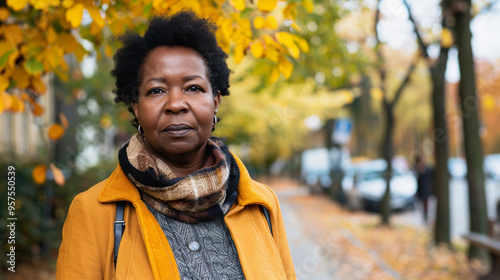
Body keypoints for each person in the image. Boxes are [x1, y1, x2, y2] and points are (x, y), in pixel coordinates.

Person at [56, 11, 296, 279]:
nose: (175, 104)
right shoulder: (93, 212)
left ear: (215, 101)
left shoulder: (261, 204)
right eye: (156, 90)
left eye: (193, 88)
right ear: (136, 107)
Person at [415, 154, 433, 224]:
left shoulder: (428, 169)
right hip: (422, 189)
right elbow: (418, 181)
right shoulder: (418, 170)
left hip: (427, 189)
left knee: (427, 203)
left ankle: (427, 216)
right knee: (422, 204)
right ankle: (425, 216)